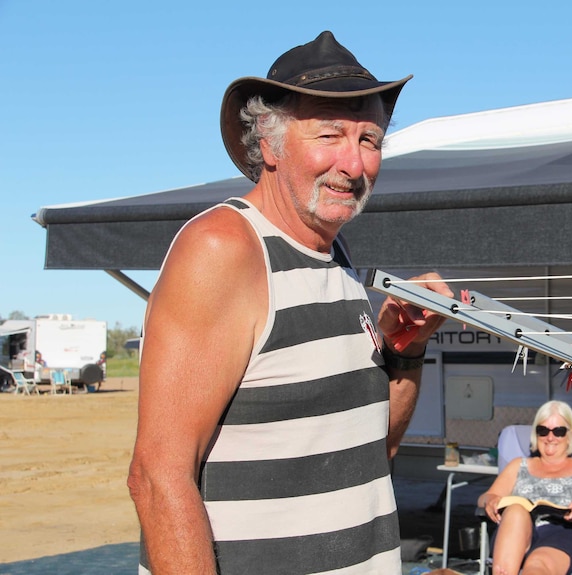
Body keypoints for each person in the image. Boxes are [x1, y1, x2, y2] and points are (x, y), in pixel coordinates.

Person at [127, 31, 453, 575]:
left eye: (370, 141)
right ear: (270, 144)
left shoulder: (338, 256)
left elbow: (376, 452)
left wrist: (405, 348)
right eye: (330, 135)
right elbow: (158, 477)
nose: (354, 164)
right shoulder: (226, 248)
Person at [478, 401, 572, 575]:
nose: (550, 438)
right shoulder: (518, 465)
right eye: (542, 431)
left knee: (537, 565)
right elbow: (487, 496)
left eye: (558, 431)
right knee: (515, 510)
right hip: (521, 532)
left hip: (570, 532)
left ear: (570, 435)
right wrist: (490, 500)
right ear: (535, 434)